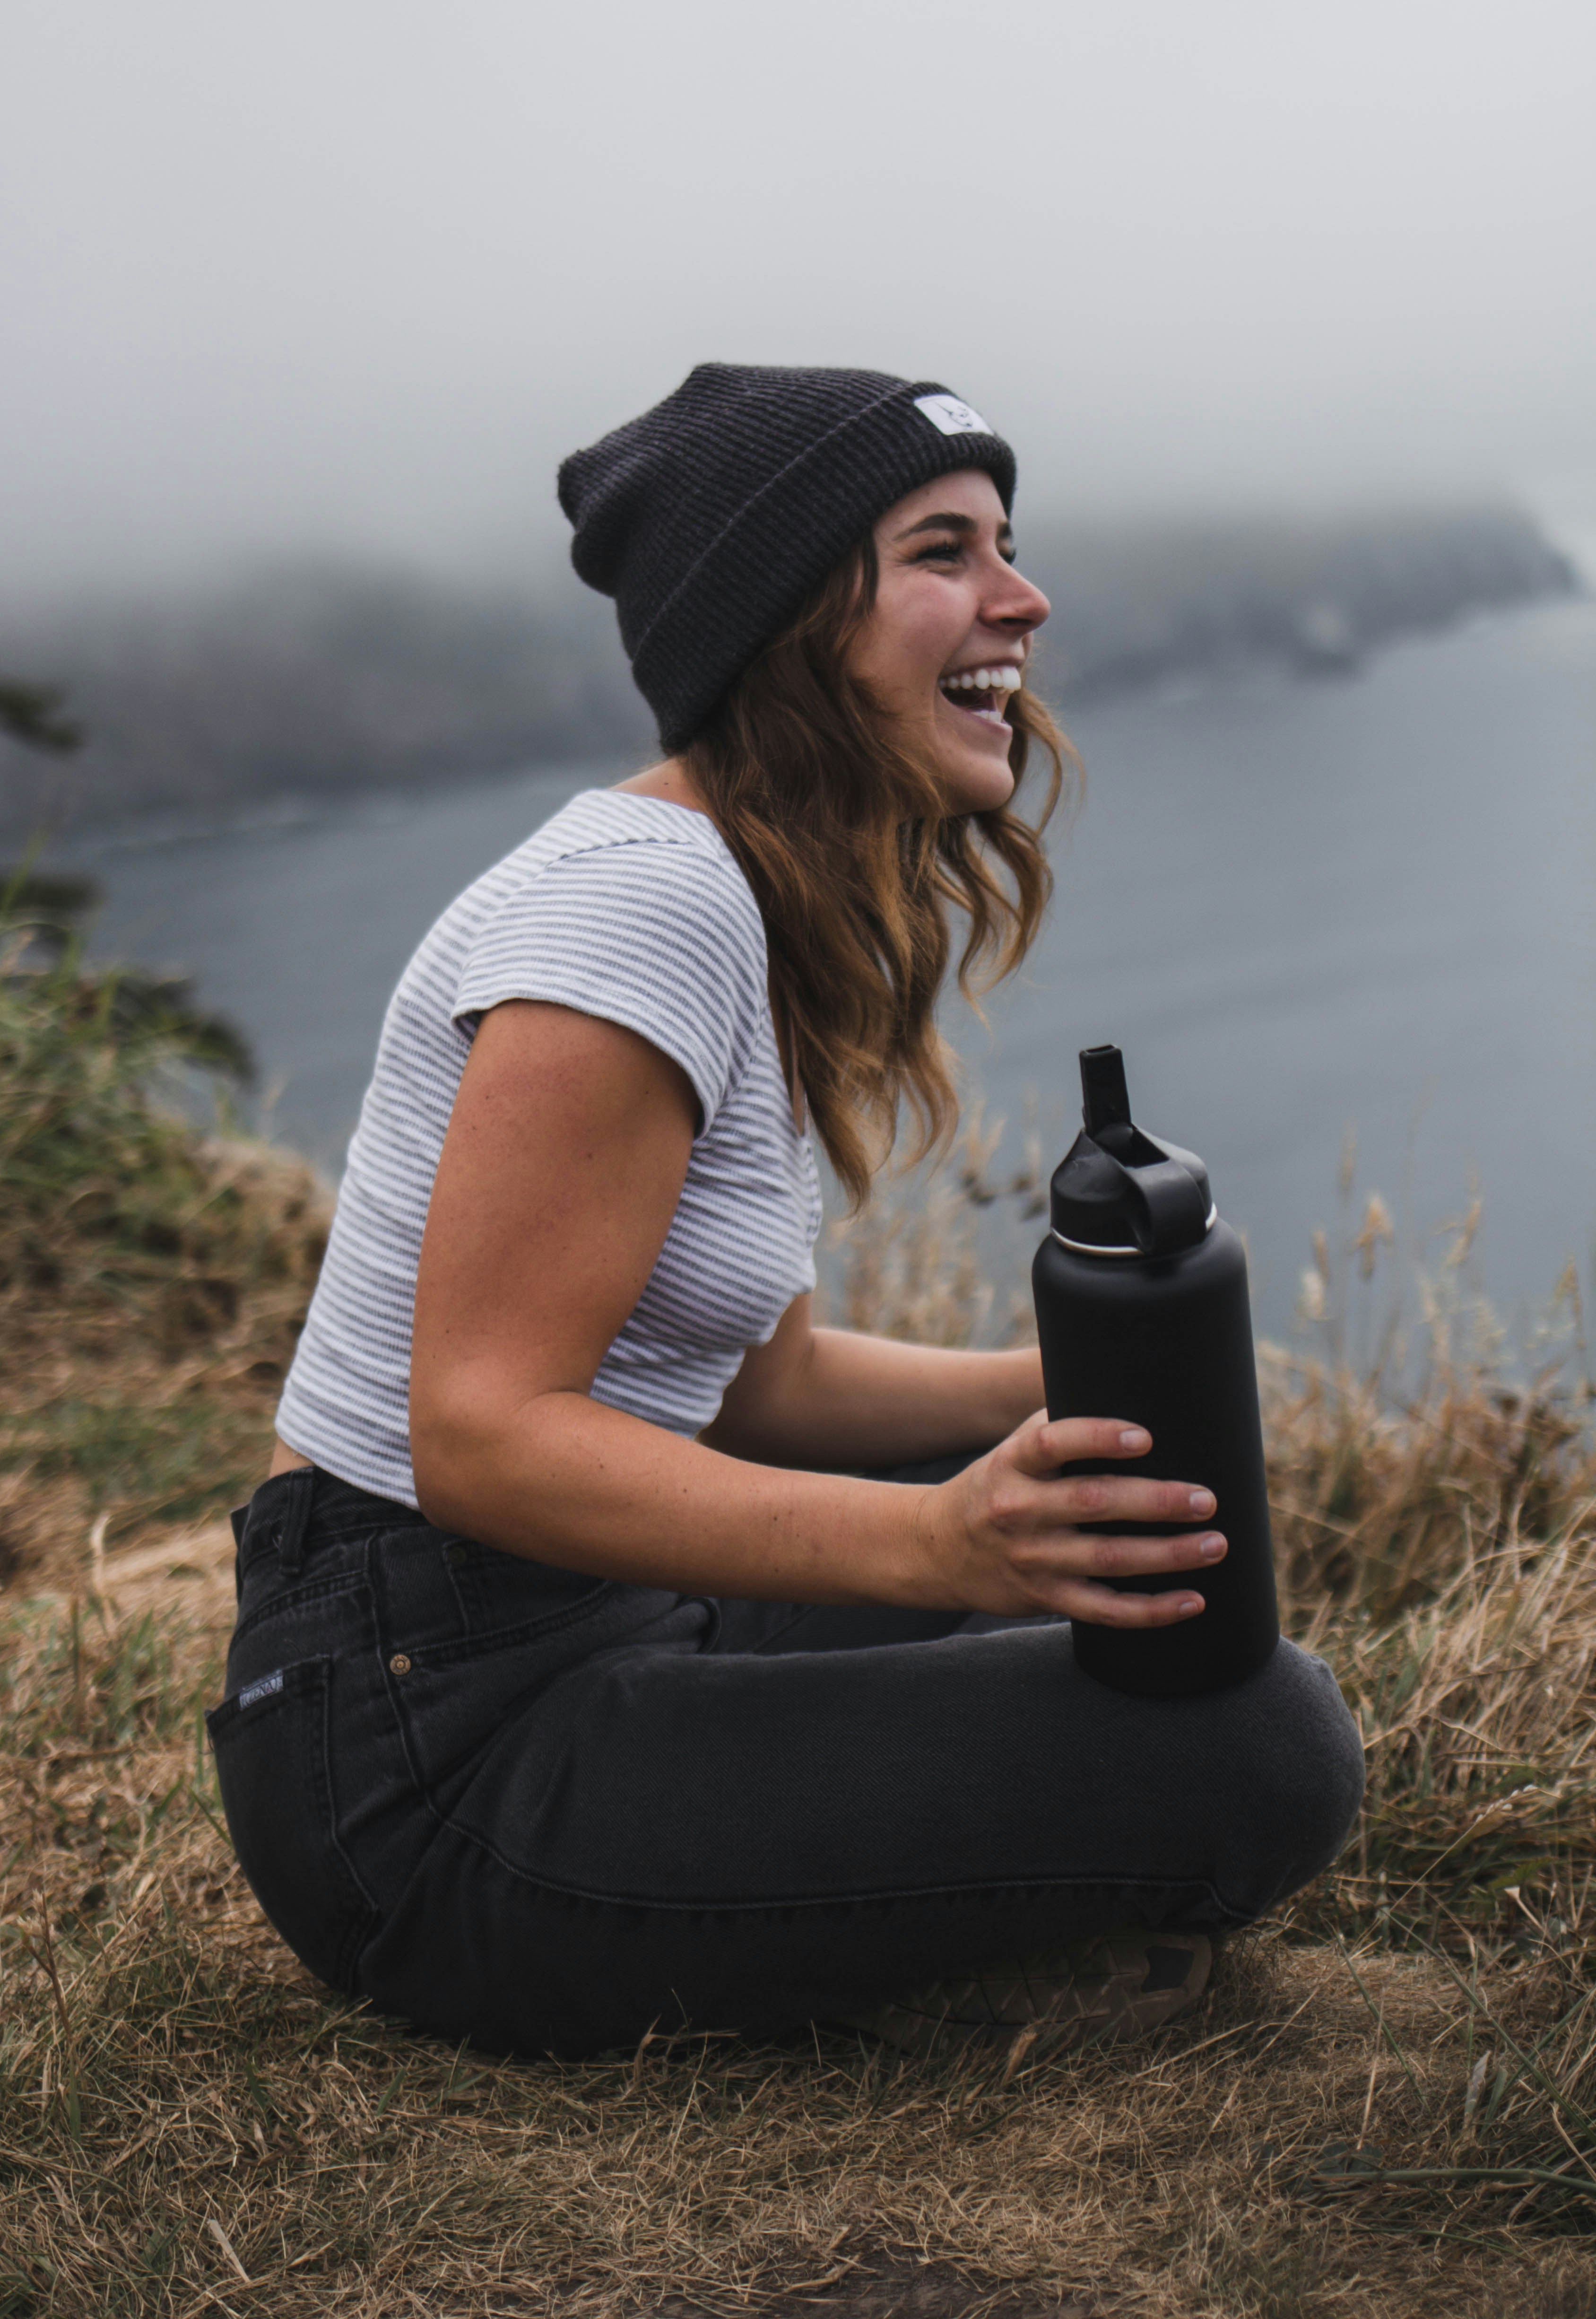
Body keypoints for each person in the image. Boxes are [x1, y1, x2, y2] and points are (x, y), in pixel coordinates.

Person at [209, 364, 1363, 2059]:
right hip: (422, 1745)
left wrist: (1067, 1388)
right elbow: (478, 1436)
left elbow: (757, 1390)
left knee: (1116, 1541)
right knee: (1262, 1745)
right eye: (943, 551)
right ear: (792, 617)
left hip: (575, 1616)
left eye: (1008, 548)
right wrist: (932, 1546)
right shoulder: (644, 905)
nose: (1021, 598)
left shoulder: (747, 896)